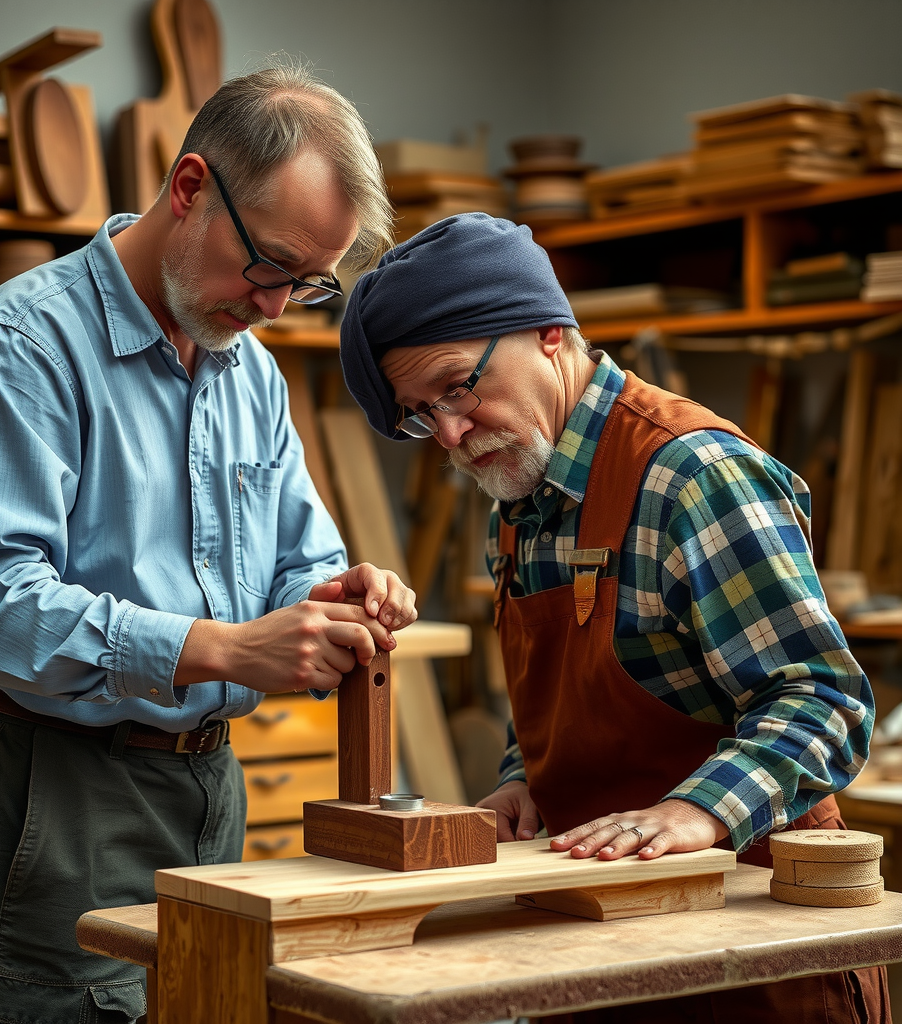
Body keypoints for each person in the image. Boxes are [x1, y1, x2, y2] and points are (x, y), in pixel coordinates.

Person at [0, 64, 416, 1024]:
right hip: (56, 791)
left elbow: (297, 561)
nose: (274, 306)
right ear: (189, 189)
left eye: (308, 285)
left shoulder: (247, 374)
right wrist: (219, 649)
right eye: (269, 263)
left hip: (205, 784)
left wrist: (341, 594)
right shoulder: (24, 345)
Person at [338, 212, 889, 1023]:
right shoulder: (520, 502)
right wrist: (522, 778)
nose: (451, 434)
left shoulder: (692, 475)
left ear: (550, 333)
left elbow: (823, 701)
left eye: (458, 386)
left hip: (752, 952)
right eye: (422, 415)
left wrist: (698, 809)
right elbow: (571, 691)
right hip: (600, 938)